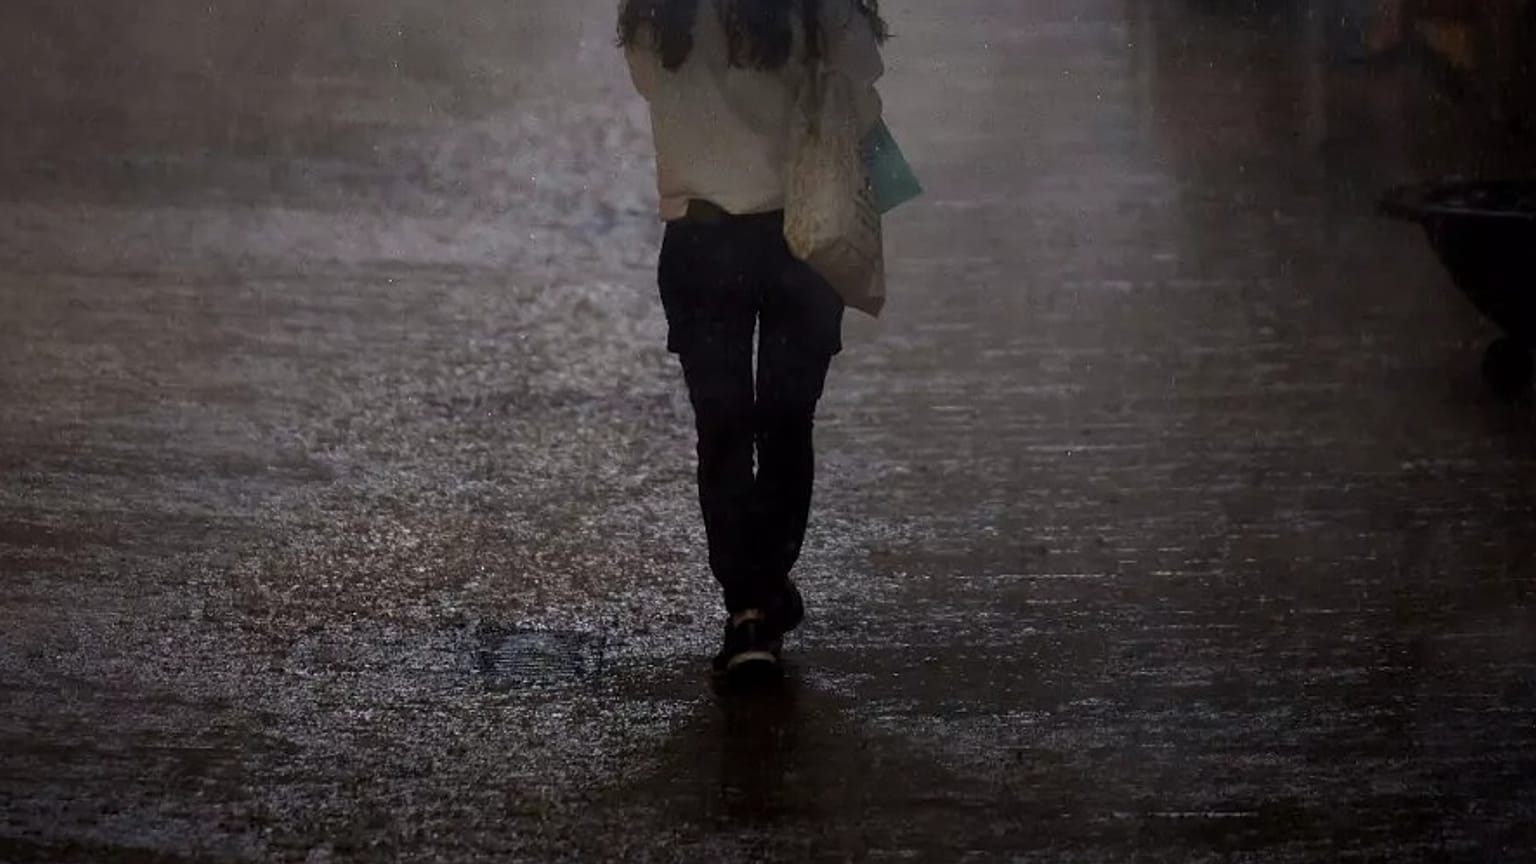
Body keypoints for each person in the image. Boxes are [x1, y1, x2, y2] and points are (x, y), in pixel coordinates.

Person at [619, 0, 887, 677]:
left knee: (725, 428)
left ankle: (749, 605)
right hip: (804, 239)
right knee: (786, 423)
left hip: (701, 242)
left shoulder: (658, 13)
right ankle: (762, 593)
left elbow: (651, 84)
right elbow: (861, 83)